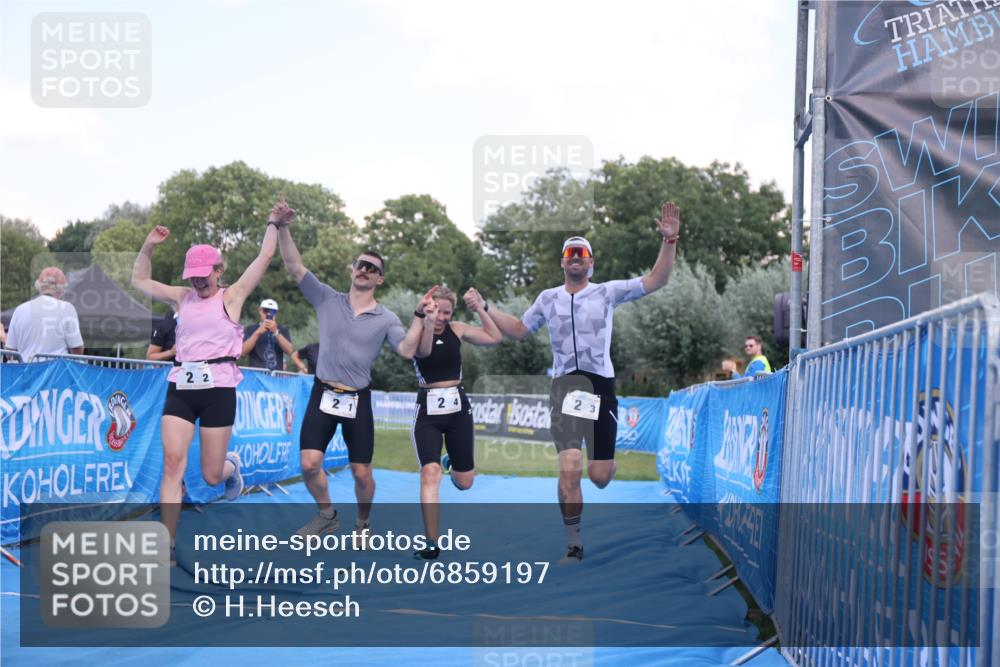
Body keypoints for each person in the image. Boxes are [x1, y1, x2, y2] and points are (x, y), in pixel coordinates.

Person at [478, 202, 681, 562]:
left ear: (591, 262)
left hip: (600, 386)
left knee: (599, 476)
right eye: (569, 254)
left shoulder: (607, 292)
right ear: (562, 263)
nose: (575, 258)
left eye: (581, 254)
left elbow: (657, 280)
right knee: (569, 468)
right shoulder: (548, 299)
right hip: (565, 389)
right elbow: (520, 330)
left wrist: (669, 241)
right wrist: (485, 307)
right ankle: (574, 544)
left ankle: (607, 462)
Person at [131, 201, 283, 557]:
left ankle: (232, 467)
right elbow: (139, 280)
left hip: (219, 389)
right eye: (193, 275)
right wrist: (148, 246)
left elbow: (264, 256)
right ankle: (166, 543)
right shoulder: (181, 298)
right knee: (172, 463)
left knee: (211, 475)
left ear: (218, 270)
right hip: (182, 384)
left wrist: (273, 222)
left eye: (204, 274)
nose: (198, 280)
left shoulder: (233, 296)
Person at [272, 200, 428, 539]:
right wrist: (282, 227)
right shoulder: (327, 298)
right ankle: (327, 515)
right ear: (352, 270)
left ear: (380, 279)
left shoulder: (386, 317)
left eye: (372, 268)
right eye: (361, 265)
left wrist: (419, 317)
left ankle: (362, 523)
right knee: (309, 464)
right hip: (323, 393)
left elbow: (406, 350)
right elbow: (295, 267)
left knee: (361, 473)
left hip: (358, 399)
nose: (364, 270)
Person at [410, 286, 502, 560]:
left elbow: (495, 337)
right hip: (427, 411)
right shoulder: (417, 332)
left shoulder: (458, 329)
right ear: (429, 309)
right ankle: (431, 543)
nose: (441, 318)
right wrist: (426, 321)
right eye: (436, 311)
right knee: (430, 473)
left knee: (465, 483)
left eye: (446, 313)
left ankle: (451, 462)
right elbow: (425, 352)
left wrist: (480, 308)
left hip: (458, 410)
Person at [6, 267, 84, 362]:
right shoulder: (67, 308)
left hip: (26, 369)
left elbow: (9, 352)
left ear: (39, 286)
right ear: (62, 288)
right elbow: (77, 349)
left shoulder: (20, 310)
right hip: (57, 370)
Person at [242, 298, 294, 370]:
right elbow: (243, 352)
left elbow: (290, 351)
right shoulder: (250, 329)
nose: (269, 314)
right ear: (260, 311)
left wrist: (276, 332)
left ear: (276, 313)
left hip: (276, 375)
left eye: (272, 311)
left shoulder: (282, 330)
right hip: (257, 374)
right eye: (266, 310)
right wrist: (258, 333)